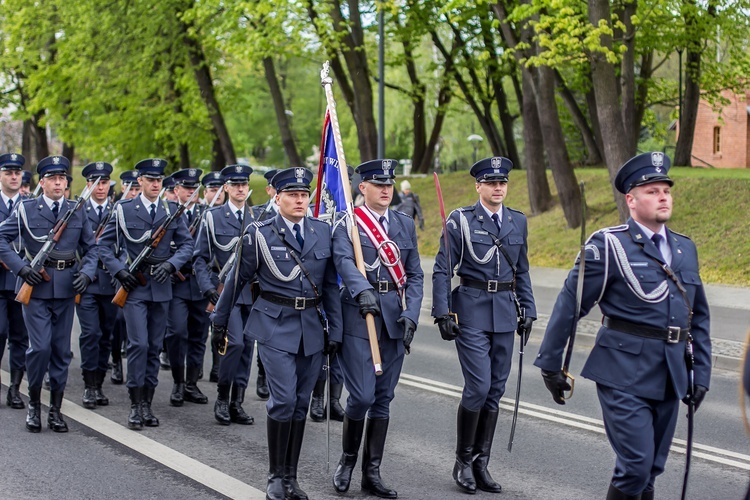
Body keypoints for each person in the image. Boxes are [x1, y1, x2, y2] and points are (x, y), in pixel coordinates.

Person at [534, 152, 711, 500]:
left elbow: (699, 318)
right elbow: (570, 306)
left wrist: (700, 374)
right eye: (652, 191)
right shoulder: (608, 245)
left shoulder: (684, 249)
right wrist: (552, 364)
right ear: (631, 200)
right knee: (635, 465)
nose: (663, 196)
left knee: (651, 472)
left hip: (671, 373)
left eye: (666, 190)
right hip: (623, 372)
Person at [212, 167, 342, 500]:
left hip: (311, 325)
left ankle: (290, 477)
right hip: (273, 324)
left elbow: (329, 287)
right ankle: (273, 476)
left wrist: (336, 330)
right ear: (277, 196)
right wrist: (220, 322)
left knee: (299, 404)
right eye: (293, 195)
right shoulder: (259, 234)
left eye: (304, 195)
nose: (300, 200)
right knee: (282, 400)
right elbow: (236, 282)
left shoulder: (322, 231)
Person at [432, 156, 536, 494]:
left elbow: (522, 269)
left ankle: (481, 462)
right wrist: (442, 312)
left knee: (496, 390)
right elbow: (442, 268)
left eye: (502, 183)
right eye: (491, 183)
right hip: (472, 310)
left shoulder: (517, 222)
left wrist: (529, 309)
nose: (497, 188)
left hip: (505, 311)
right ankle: (462, 461)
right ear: (478, 186)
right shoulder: (461, 220)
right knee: (478, 387)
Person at [331, 159, 424, 498]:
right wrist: (363, 290)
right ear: (362, 188)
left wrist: (412, 314)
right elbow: (343, 261)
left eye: (390, 184)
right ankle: (347, 461)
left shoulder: (404, 223)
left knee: (384, 399)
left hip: (393, 321)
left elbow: (414, 274)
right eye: (379, 184)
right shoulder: (349, 223)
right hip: (359, 318)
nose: (387, 190)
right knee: (362, 396)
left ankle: (372, 473)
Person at [0, 155, 98, 433]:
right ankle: (33, 404)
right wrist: (20, 268)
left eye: (63, 178)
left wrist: (87, 273)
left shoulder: (76, 210)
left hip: (67, 287)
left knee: (60, 350)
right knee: (39, 348)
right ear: (42, 182)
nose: (58, 183)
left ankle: (55, 409)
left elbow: (91, 248)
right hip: (37, 288)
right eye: (53, 178)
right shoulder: (26, 209)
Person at [98, 158, 194, 430]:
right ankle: (134, 403)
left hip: (161, 286)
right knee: (138, 344)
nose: (155, 184)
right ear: (139, 181)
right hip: (135, 286)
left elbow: (187, 246)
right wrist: (119, 271)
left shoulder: (172, 210)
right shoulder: (124, 209)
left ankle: (147, 405)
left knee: (153, 347)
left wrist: (171, 264)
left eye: (159, 180)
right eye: (150, 179)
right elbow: (104, 246)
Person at [194, 165, 256, 425]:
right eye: (235, 184)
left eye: (244, 184)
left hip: (252, 294)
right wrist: (208, 288)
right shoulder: (213, 217)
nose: (241, 188)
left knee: (247, 348)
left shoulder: (258, 217)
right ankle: (222, 397)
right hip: (225, 295)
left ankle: (236, 402)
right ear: (226, 188)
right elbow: (200, 259)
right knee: (236, 344)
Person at [164, 168, 211, 407]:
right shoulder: (169, 213)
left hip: (201, 283)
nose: (191, 192)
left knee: (198, 335)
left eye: (194, 188)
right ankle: (177, 382)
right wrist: (169, 267)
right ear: (177, 190)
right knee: (177, 332)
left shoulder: (207, 213)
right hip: (177, 283)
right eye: (186, 188)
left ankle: (191, 384)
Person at [76, 161, 119, 409]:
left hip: (111, 283)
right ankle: (89, 385)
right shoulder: (78, 211)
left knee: (106, 336)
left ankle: (99, 383)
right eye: (95, 183)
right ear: (88, 185)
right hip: (88, 283)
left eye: (104, 183)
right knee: (90, 333)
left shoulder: (118, 211)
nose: (100, 187)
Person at [0, 153, 29, 410]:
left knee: (20, 336)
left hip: (22, 281)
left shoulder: (30, 205)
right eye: (9, 172)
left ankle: (15, 388)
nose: (13, 176)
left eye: (17, 173)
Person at [249, 167, 278, 400]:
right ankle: (262, 373)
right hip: (259, 283)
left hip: (283, 284)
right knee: (265, 332)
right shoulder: (257, 213)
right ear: (269, 190)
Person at [200, 170, 227, 382]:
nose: (217, 194)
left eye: (220, 189)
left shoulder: (246, 216)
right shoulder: (205, 215)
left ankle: (219, 367)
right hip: (208, 279)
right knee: (199, 330)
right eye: (212, 189)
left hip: (228, 281)